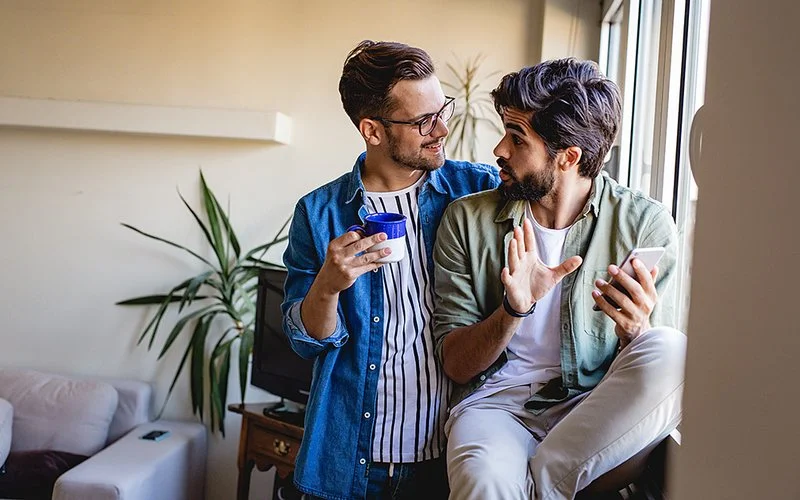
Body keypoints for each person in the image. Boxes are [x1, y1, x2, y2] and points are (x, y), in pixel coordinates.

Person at [432, 58, 687, 500]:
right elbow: (455, 365)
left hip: (592, 404)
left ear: (568, 156)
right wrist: (513, 310)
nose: (499, 150)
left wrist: (634, 331)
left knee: (672, 348)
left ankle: (541, 487)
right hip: (497, 406)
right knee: (485, 481)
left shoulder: (644, 223)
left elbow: (648, 372)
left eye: (517, 138)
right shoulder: (466, 220)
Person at [281, 40, 500, 499]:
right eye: (423, 120)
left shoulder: (478, 190)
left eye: (443, 110)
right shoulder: (319, 213)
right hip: (350, 461)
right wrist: (327, 286)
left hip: (453, 455)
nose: (441, 128)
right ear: (372, 130)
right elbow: (307, 341)